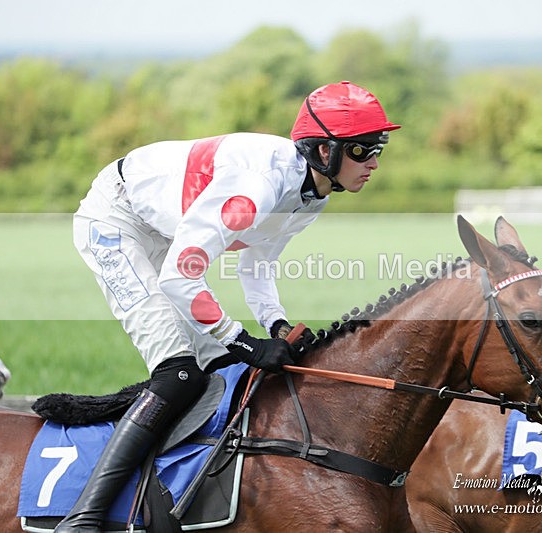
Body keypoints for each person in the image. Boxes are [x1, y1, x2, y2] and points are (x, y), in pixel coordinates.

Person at [56, 80, 400, 531]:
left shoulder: (312, 195)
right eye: (361, 149)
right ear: (322, 151)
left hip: (165, 231)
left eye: (379, 148)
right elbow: (180, 275)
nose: (373, 162)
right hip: (117, 222)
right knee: (179, 373)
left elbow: (257, 266)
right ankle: (85, 516)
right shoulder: (256, 189)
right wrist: (243, 341)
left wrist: (275, 326)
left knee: (222, 372)